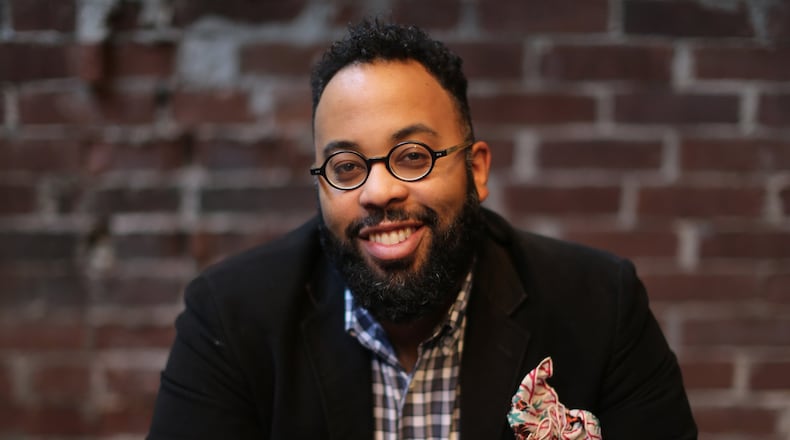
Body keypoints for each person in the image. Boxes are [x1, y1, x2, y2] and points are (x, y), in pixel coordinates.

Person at [148, 19, 697, 439]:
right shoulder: (230, 317)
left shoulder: (600, 306)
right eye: (345, 167)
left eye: (412, 156)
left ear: (476, 170)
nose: (378, 191)